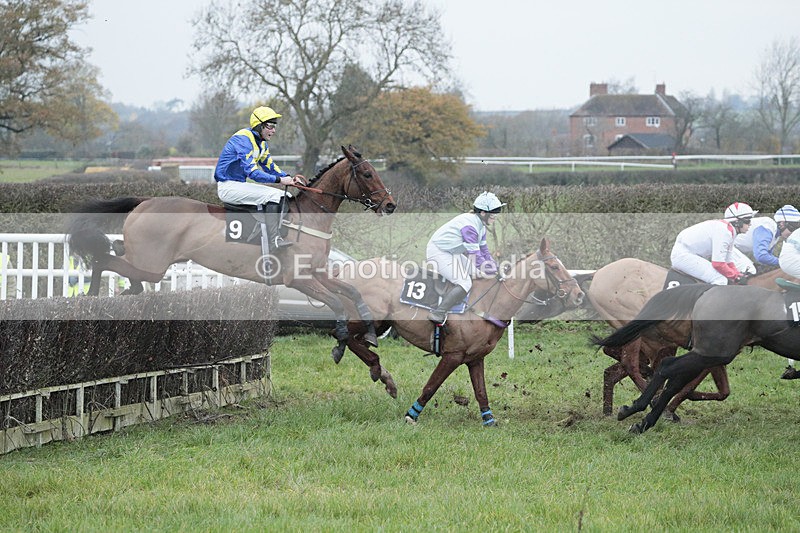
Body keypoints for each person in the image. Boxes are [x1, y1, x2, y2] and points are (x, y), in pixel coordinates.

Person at [214, 106, 305, 249]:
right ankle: (274, 240)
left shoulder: (262, 144)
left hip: (239, 185)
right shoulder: (243, 140)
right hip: (228, 186)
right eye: (270, 126)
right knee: (276, 197)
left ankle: (271, 234)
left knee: (285, 195)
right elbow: (253, 173)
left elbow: (270, 166)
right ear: (259, 126)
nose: (273, 130)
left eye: (274, 126)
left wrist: (289, 177)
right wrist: (280, 180)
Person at [425, 192, 504, 324]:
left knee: (477, 273)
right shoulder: (470, 226)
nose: (495, 216)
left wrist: (495, 268)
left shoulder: (481, 227)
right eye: (493, 212)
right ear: (483, 213)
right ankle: (438, 313)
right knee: (465, 282)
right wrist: (492, 271)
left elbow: (484, 252)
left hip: (451, 253)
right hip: (438, 252)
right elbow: (476, 256)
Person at [670, 202, 755, 285]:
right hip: (684, 255)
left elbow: (728, 261)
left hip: (691, 254)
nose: (750, 224)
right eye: (747, 221)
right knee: (720, 279)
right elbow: (718, 264)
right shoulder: (724, 232)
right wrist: (736, 277)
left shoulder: (730, 232)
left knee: (724, 276)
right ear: (737, 222)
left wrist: (738, 274)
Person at [734, 204, 800, 270]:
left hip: (733, 248)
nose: (793, 232)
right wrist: (784, 263)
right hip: (729, 246)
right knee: (751, 269)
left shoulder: (775, 235)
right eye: (793, 228)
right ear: (782, 224)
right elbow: (761, 256)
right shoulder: (767, 228)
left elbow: (768, 257)